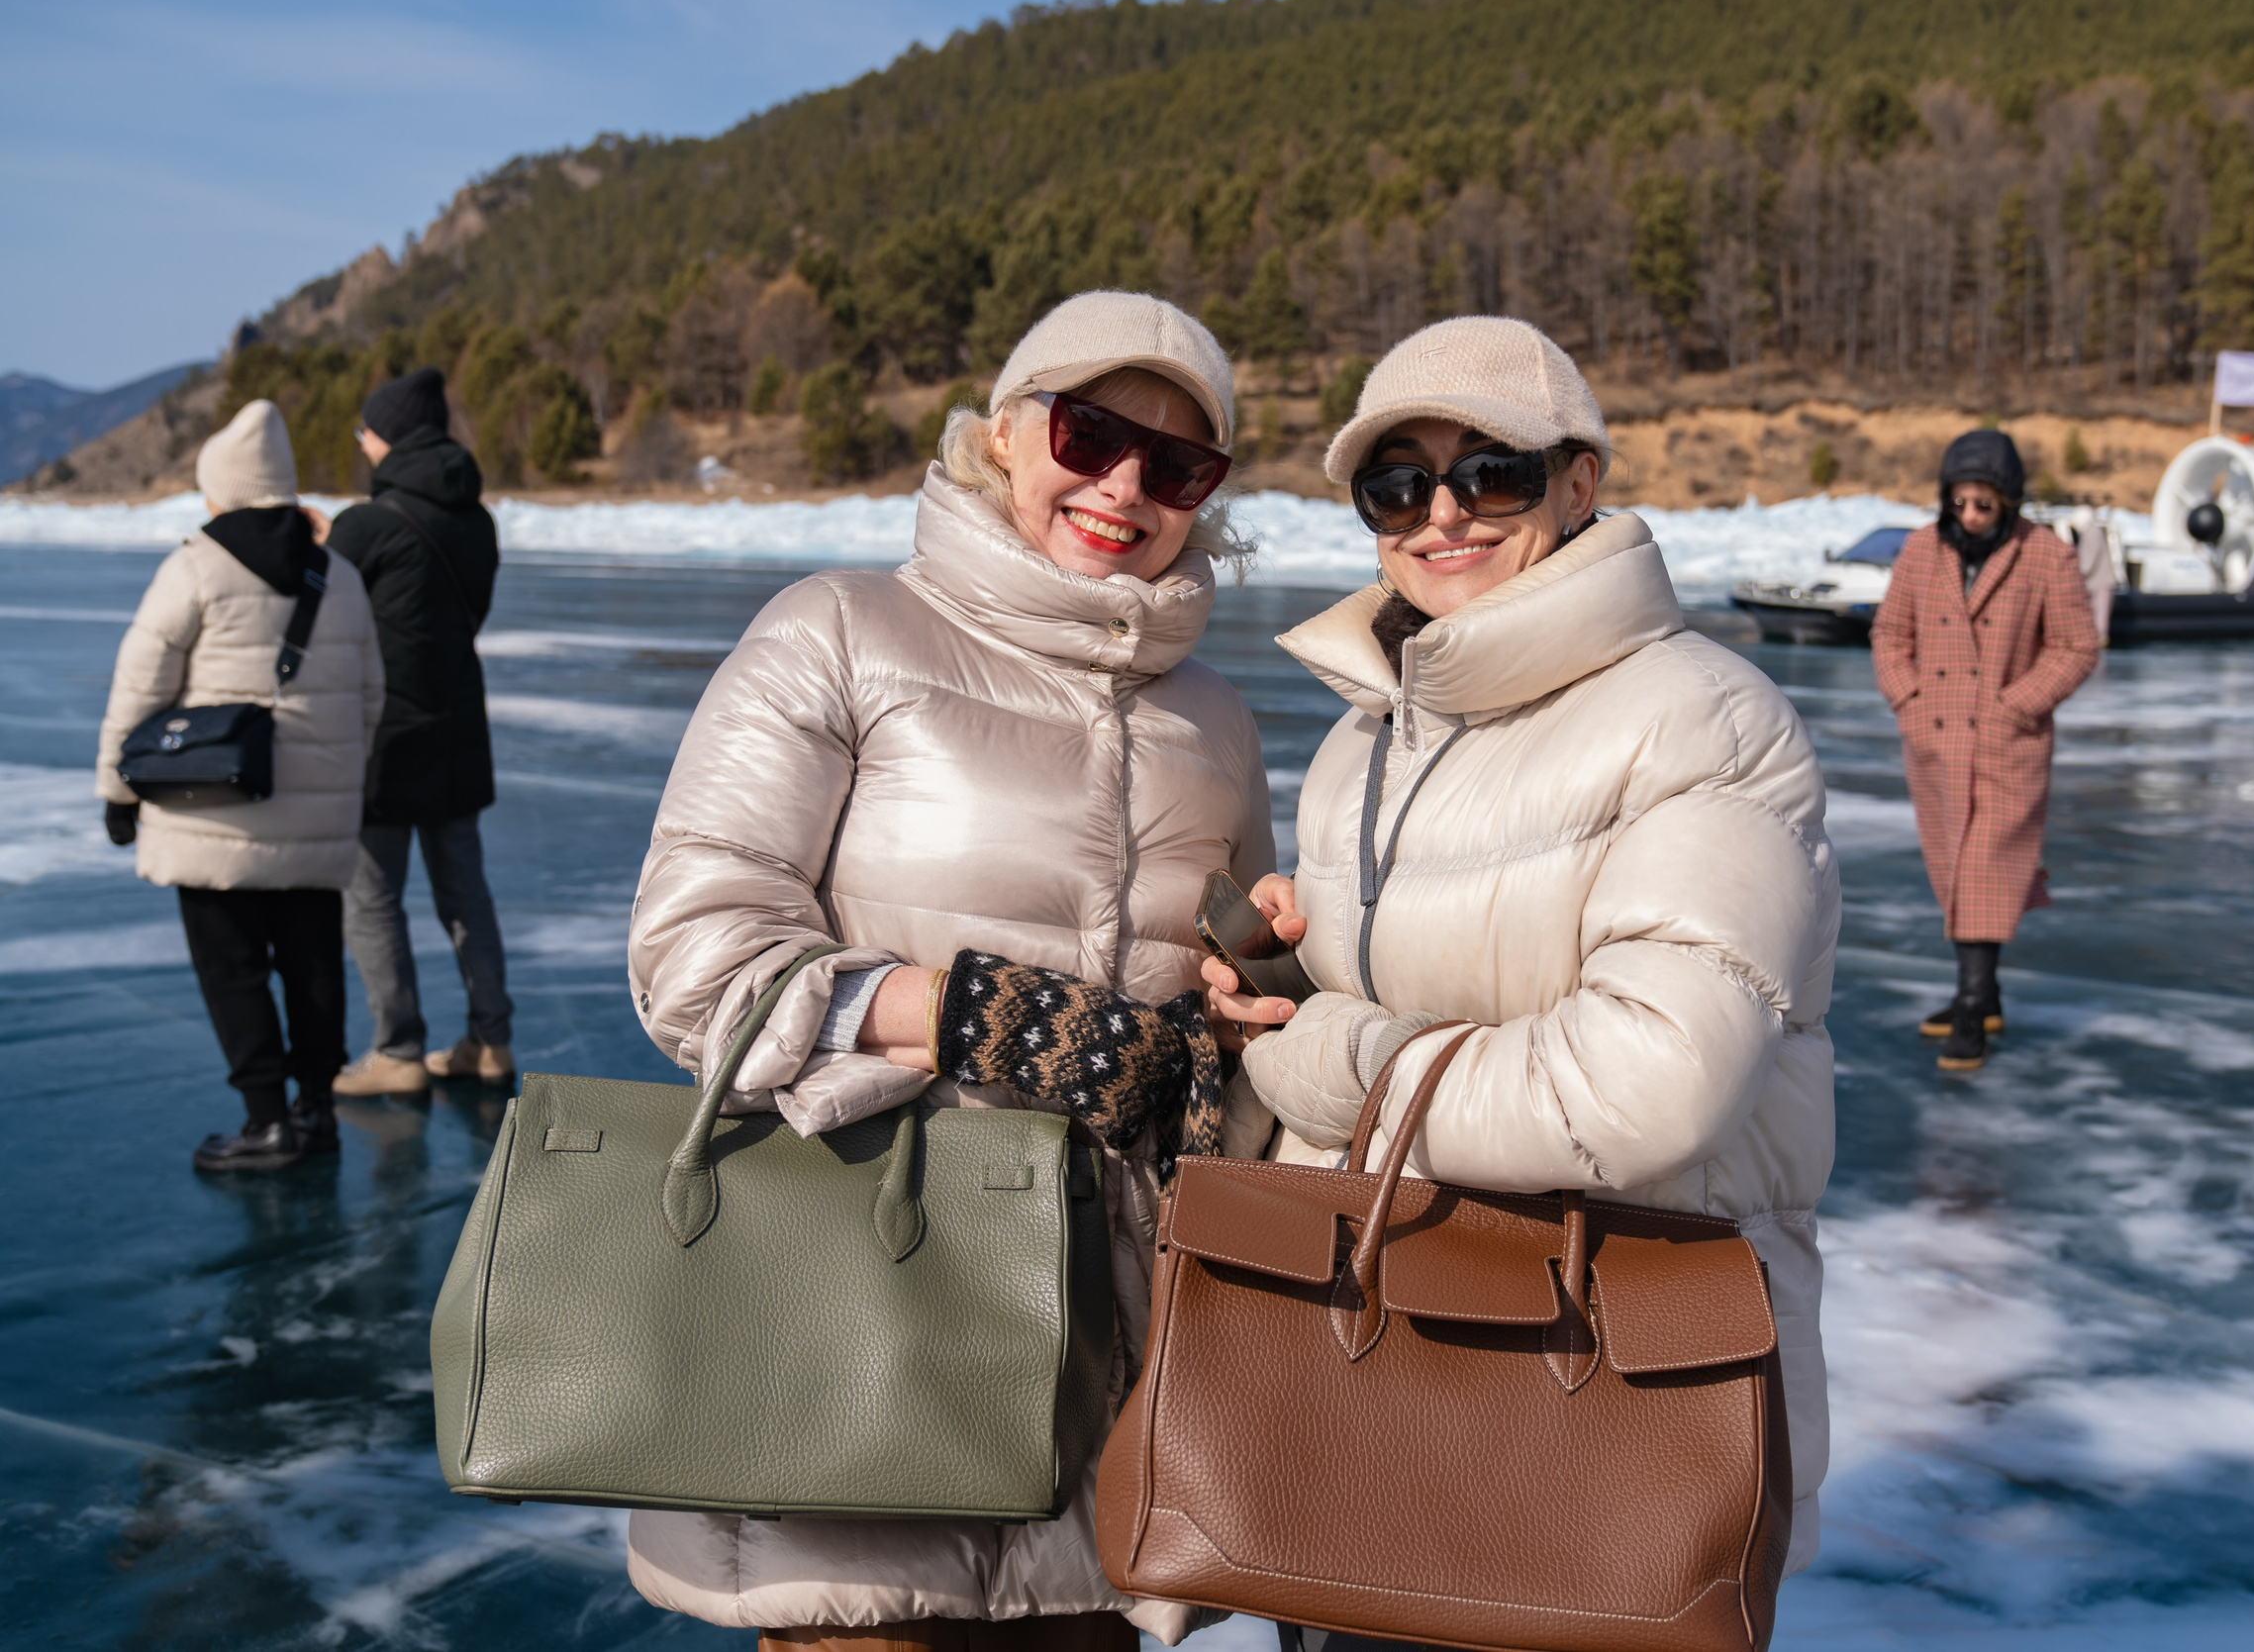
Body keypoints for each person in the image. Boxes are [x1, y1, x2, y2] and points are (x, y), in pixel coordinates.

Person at [622, 291, 1275, 1650]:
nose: (1123, 486)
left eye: (1177, 464)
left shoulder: (1215, 717)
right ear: (1002, 433)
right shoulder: (841, 633)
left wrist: (1235, 1024)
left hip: (1098, 1394)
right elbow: (695, 959)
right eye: (1090, 433)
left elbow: (1222, 1004)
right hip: (864, 1329)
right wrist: (968, 1012)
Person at [1212, 316, 1843, 1588]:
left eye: (1487, 470)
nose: (1439, 511)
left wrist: (1332, 1061)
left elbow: (1644, 1085)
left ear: (1579, 481)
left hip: (1606, 1387)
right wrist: (1286, 982)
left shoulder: (1701, 721)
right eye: (1394, 483)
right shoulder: (1365, 740)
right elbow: (1407, 990)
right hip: (1379, 1360)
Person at [95, 401, 384, 1170]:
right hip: (318, 819)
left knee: (233, 969)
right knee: (314, 962)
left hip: (211, 812)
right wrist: (340, 784)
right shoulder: (340, 574)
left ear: (219, 487)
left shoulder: (194, 565)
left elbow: (138, 688)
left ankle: (265, 1121)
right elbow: (369, 697)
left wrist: (118, 793)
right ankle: (316, 1112)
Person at [1871, 430, 2100, 1071]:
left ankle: (1971, 1007)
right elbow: (1890, 632)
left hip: (2006, 745)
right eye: (1961, 502)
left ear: (2009, 504)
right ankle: (1986, 992)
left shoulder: (2046, 556)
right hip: (1937, 741)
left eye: (1984, 505)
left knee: (1985, 873)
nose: (1969, 516)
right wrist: (1908, 700)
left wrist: (2016, 704)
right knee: (1954, 870)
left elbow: (2077, 647)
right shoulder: (1921, 550)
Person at [325, 367, 515, 1096]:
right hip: (459, 728)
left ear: (389, 436)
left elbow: (329, 615)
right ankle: (490, 1040)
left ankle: (398, 1049)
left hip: (383, 736)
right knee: (464, 891)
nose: (361, 443)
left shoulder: (364, 525)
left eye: (364, 430)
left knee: (372, 897)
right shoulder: (478, 520)